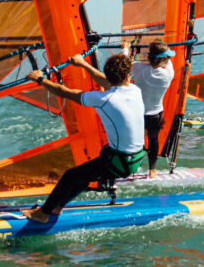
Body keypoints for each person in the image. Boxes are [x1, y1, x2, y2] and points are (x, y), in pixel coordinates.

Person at [23, 53, 145, 224]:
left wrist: (40, 79)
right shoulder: (135, 90)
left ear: (109, 76)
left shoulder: (104, 99)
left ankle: (43, 213)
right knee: (82, 176)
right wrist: (83, 64)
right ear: (127, 76)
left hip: (120, 162)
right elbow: (108, 82)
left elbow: (65, 92)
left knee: (71, 176)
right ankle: (57, 207)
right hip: (135, 157)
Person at [129, 40, 175, 177]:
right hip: (155, 115)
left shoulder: (137, 68)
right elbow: (168, 60)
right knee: (153, 140)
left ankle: (132, 169)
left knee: (136, 142)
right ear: (164, 60)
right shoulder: (169, 74)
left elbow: (125, 63)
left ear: (149, 57)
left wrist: (126, 49)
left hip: (138, 114)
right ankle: (152, 170)